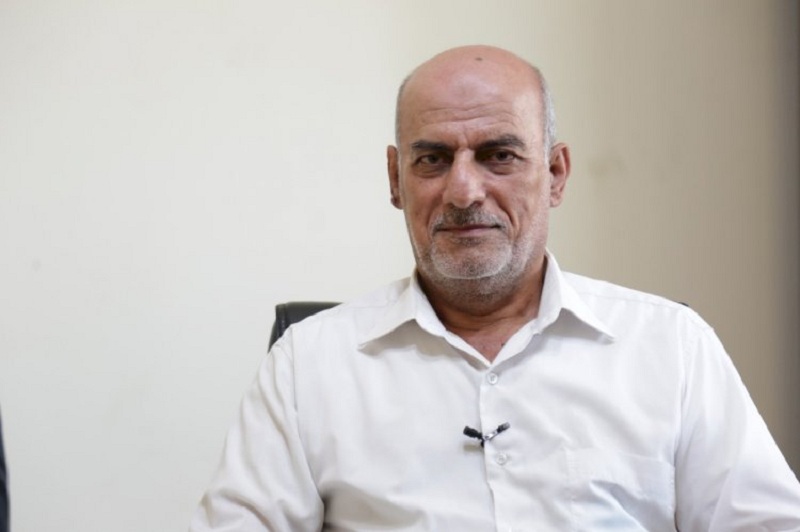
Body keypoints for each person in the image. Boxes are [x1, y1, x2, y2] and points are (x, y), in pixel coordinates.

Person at [190, 45, 800, 531]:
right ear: (396, 180)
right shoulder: (308, 364)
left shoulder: (671, 347)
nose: (463, 191)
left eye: (498, 155)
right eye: (432, 159)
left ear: (555, 173)